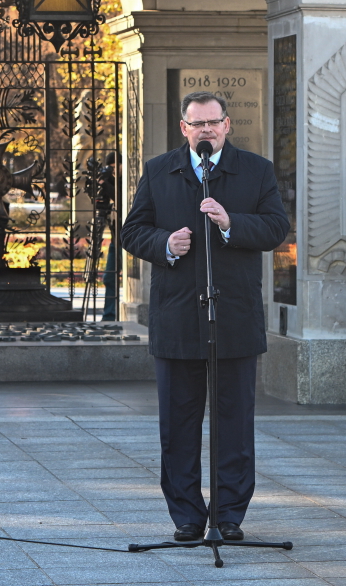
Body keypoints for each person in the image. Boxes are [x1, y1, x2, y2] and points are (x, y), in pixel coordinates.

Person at [121, 91, 288, 544]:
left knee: (234, 422)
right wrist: (164, 245)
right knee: (178, 424)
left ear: (228, 125)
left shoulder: (256, 170)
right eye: (198, 124)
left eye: (214, 122)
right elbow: (132, 230)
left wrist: (232, 222)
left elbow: (276, 228)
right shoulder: (159, 170)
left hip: (233, 316)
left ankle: (230, 514)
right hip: (177, 318)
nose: (206, 131)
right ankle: (188, 517)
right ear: (184, 129)